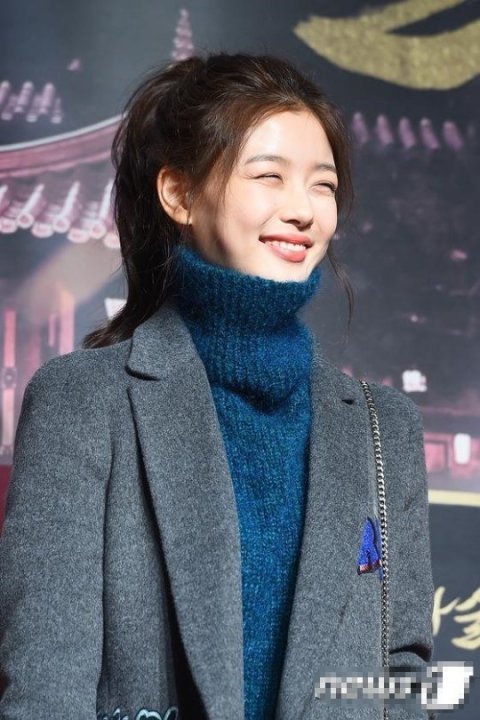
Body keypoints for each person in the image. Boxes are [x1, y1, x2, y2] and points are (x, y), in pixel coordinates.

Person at [0, 52, 435, 720]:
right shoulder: (84, 401)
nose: (302, 210)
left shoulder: (385, 428)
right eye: (269, 176)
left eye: (322, 185)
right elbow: (45, 684)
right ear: (178, 194)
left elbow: (402, 672)